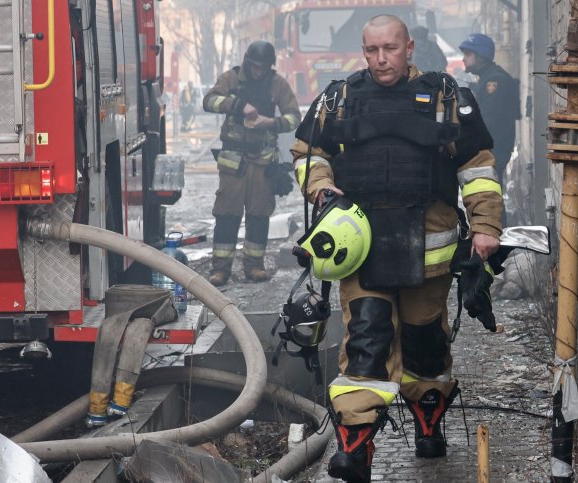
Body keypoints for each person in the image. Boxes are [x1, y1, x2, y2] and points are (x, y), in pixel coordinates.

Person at [290, 15, 503, 482]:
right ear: (363, 52)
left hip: (431, 252)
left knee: (425, 343)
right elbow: (308, 155)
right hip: (361, 251)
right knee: (366, 342)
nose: (381, 59)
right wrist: (322, 190)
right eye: (372, 50)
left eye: (390, 48)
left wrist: (485, 226)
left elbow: (477, 167)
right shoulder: (339, 100)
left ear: (409, 47)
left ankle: (429, 423)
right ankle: (355, 451)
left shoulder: (448, 98)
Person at [202, 40, 300, 286]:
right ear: (248, 62)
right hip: (233, 160)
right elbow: (209, 101)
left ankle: (254, 266)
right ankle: (220, 269)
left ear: (269, 66)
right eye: (255, 66)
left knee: (259, 213)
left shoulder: (277, 84)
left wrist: (272, 123)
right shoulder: (232, 79)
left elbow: (294, 117)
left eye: (263, 67)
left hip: (263, 162)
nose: (258, 71)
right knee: (227, 213)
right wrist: (237, 106)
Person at [460, 33, 521, 183]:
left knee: (488, 195)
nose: (463, 59)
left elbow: (489, 119)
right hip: (488, 147)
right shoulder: (486, 78)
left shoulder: (495, 81)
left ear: (480, 56)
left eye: (468, 54)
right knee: (488, 194)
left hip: (494, 149)